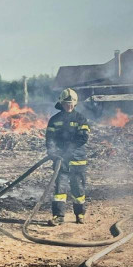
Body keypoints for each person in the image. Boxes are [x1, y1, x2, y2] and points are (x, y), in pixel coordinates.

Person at [45, 88, 90, 226]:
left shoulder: (80, 119)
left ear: (75, 103)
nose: (68, 106)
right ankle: (58, 216)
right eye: (66, 104)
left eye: (71, 104)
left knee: (78, 188)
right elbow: (50, 139)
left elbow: (83, 137)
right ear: (61, 103)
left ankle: (80, 215)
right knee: (60, 188)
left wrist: (69, 149)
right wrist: (52, 152)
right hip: (61, 160)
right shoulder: (54, 120)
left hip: (77, 160)